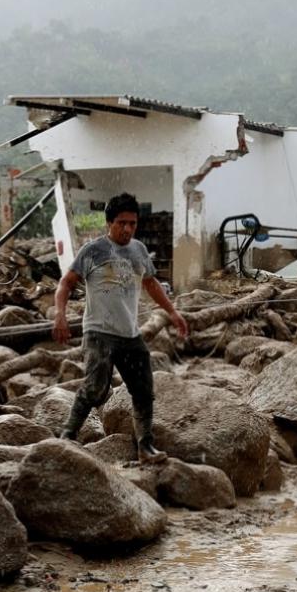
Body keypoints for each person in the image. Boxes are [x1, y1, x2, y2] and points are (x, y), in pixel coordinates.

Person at [52, 192, 189, 463]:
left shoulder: (138, 250)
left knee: (144, 390)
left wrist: (173, 312)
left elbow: (151, 284)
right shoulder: (93, 251)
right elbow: (66, 283)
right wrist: (60, 315)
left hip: (130, 334)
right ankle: (67, 436)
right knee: (95, 389)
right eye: (121, 223)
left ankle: (145, 447)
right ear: (109, 223)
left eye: (132, 224)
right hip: (99, 333)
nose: (127, 229)